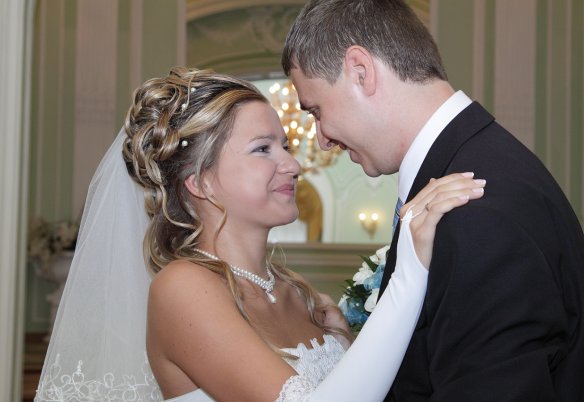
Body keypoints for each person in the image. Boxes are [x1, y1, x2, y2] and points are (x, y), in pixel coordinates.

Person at [35, 67, 485, 402]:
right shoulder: (182, 288)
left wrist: (347, 339)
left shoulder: (298, 293)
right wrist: (409, 273)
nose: (292, 164)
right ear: (201, 182)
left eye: (285, 146)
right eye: (262, 149)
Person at [281, 0, 584, 401]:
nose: (322, 139)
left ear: (360, 71)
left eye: (316, 110)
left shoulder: (476, 213)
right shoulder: (477, 168)